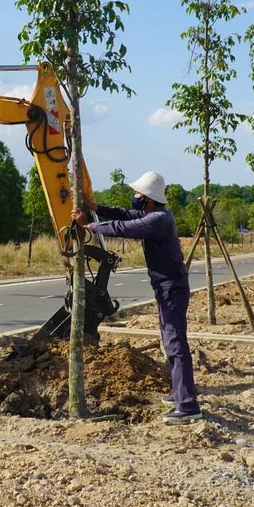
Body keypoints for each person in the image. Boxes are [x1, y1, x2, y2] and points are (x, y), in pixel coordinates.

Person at [72, 170, 201, 424]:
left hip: (171, 288)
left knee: (175, 343)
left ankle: (188, 405)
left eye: (138, 193)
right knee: (170, 341)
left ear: (149, 198)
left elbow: (124, 227)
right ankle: (179, 393)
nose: (135, 197)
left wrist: (88, 226)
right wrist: (96, 207)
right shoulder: (154, 213)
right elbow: (123, 214)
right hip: (167, 287)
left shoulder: (158, 220)